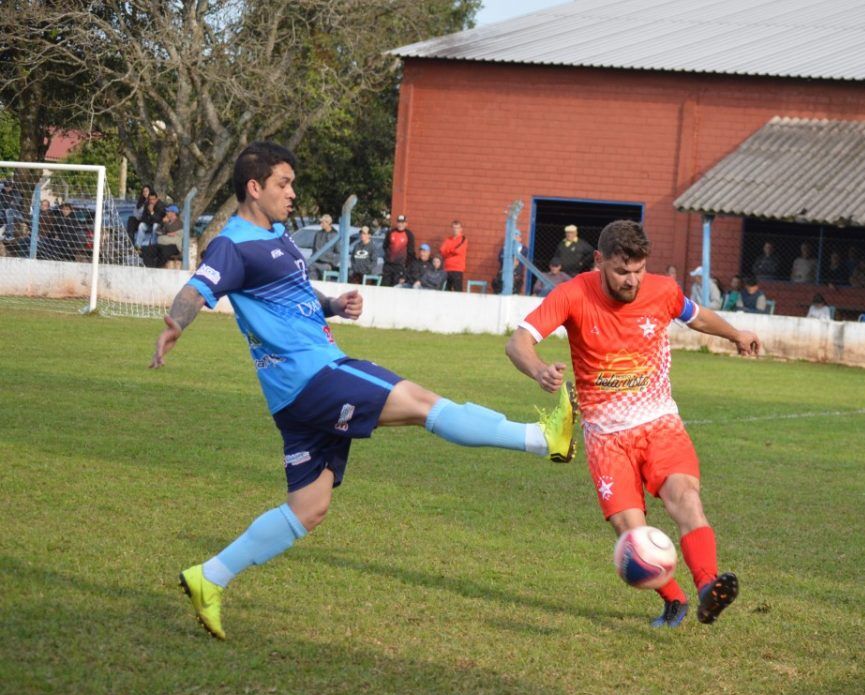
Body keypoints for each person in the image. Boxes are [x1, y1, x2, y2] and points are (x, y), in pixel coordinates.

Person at [151, 142, 579, 641]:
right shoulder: (234, 243)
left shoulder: (280, 238)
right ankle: (541, 437)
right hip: (315, 376)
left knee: (308, 508)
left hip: (292, 397)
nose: (292, 193)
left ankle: (210, 577)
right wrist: (175, 325)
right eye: (283, 184)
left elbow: (291, 293)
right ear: (254, 187)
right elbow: (197, 289)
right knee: (423, 405)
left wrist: (333, 303)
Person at [505, 219, 760, 629]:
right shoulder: (572, 295)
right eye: (622, 271)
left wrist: (735, 334)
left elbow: (696, 318)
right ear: (599, 260)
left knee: (686, 499)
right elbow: (517, 343)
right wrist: (537, 371)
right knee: (633, 536)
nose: (632, 280)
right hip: (606, 438)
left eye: (639, 270)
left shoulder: (662, 290)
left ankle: (708, 587)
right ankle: (674, 600)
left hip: (659, 422)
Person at [383, 214, 416, 287]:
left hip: (400, 266)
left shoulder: (409, 234)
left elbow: (411, 252)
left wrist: (407, 266)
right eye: (399, 222)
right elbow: (385, 246)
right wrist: (387, 258)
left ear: (406, 224)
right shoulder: (391, 232)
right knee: (385, 286)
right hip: (388, 265)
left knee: (396, 286)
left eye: (402, 222)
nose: (400, 224)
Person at [492, 228, 529, 294]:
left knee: (515, 288)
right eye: (513, 237)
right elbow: (500, 259)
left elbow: (520, 260)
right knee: (496, 284)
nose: (515, 239)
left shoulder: (524, 249)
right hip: (504, 273)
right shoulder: (505, 248)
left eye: (517, 237)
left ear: (520, 239)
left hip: (517, 275)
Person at [308, 214, 340, 280]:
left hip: (326, 264)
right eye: (321, 222)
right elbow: (314, 249)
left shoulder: (335, 235)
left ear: (328, 223)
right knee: (312, 282)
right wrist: (312, 259)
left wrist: (332, 264)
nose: (321, 224)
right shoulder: (318, 234)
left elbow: (339, 252)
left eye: (323, 222)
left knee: (325, 284)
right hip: (315, 262)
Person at [439, 219, 468, 292]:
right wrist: (451, 251)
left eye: (457, 228)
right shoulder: (448, 239)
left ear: (461, 229)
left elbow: (458, 251)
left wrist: (448, 251)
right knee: (446, 291)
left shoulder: (463, 239)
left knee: (458, 291)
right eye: (454, 228)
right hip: (447, 269)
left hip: (457, 269)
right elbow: (442, 251)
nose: (455, 230)